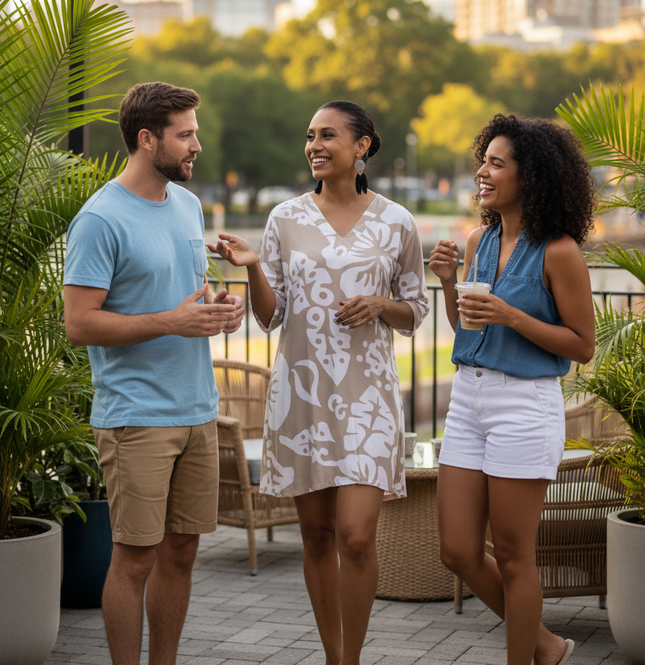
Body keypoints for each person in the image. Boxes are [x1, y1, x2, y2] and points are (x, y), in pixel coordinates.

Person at [212, 100, 429, 665]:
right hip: (301, 397)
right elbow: (270, 315)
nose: (314, 145)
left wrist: (382, 304)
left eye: (327, 135)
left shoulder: (396, 221)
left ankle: (350, 659)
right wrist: (254, 268)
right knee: (317, 537)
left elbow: (415, 312)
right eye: (309, 136)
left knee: (356, 535)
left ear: (362, 147)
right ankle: (332, 657)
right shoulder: (285, 218)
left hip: (368, 401)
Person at [63, 81, 245, 665]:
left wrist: (217, 310)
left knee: (183, 552)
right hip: (137, 416)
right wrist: (172, 321)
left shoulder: (187, 205)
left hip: (198, 409)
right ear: (148, 139)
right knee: (135, 558)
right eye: (185, 134)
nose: (198, 144)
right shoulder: (100, 219)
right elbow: (80, 323)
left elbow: (185, 301)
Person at [429, 113, 596, 665]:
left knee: (514, 555)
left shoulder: (560, 251)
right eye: (485, 159)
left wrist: (513, 316)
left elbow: (581, 344)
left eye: (497, 164)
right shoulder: (479, 239)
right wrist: (450, 284)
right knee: (456, 548)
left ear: (533, 177)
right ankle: (545, 644)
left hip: (525, 405)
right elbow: (466, 332)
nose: (483, 171)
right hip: (468, 398)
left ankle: (525, 657)